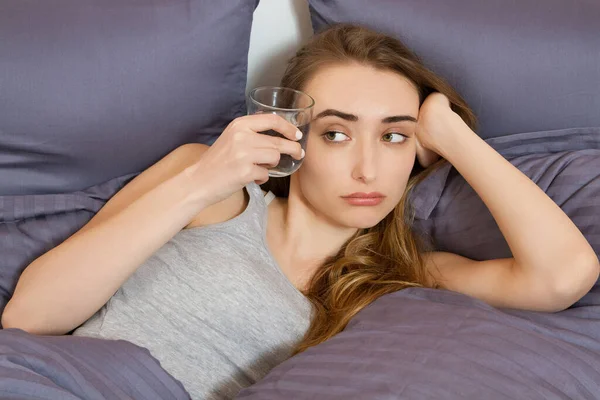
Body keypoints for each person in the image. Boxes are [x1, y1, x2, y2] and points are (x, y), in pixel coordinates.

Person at [3, 24, 598, 399]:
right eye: (337, 133)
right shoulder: (210, 191)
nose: (368, 170)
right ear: (293, 137)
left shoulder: (407, 277)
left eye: (393, 137)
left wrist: (451, 133)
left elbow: (563, 276)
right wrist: (201, 179)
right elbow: (30, 315)